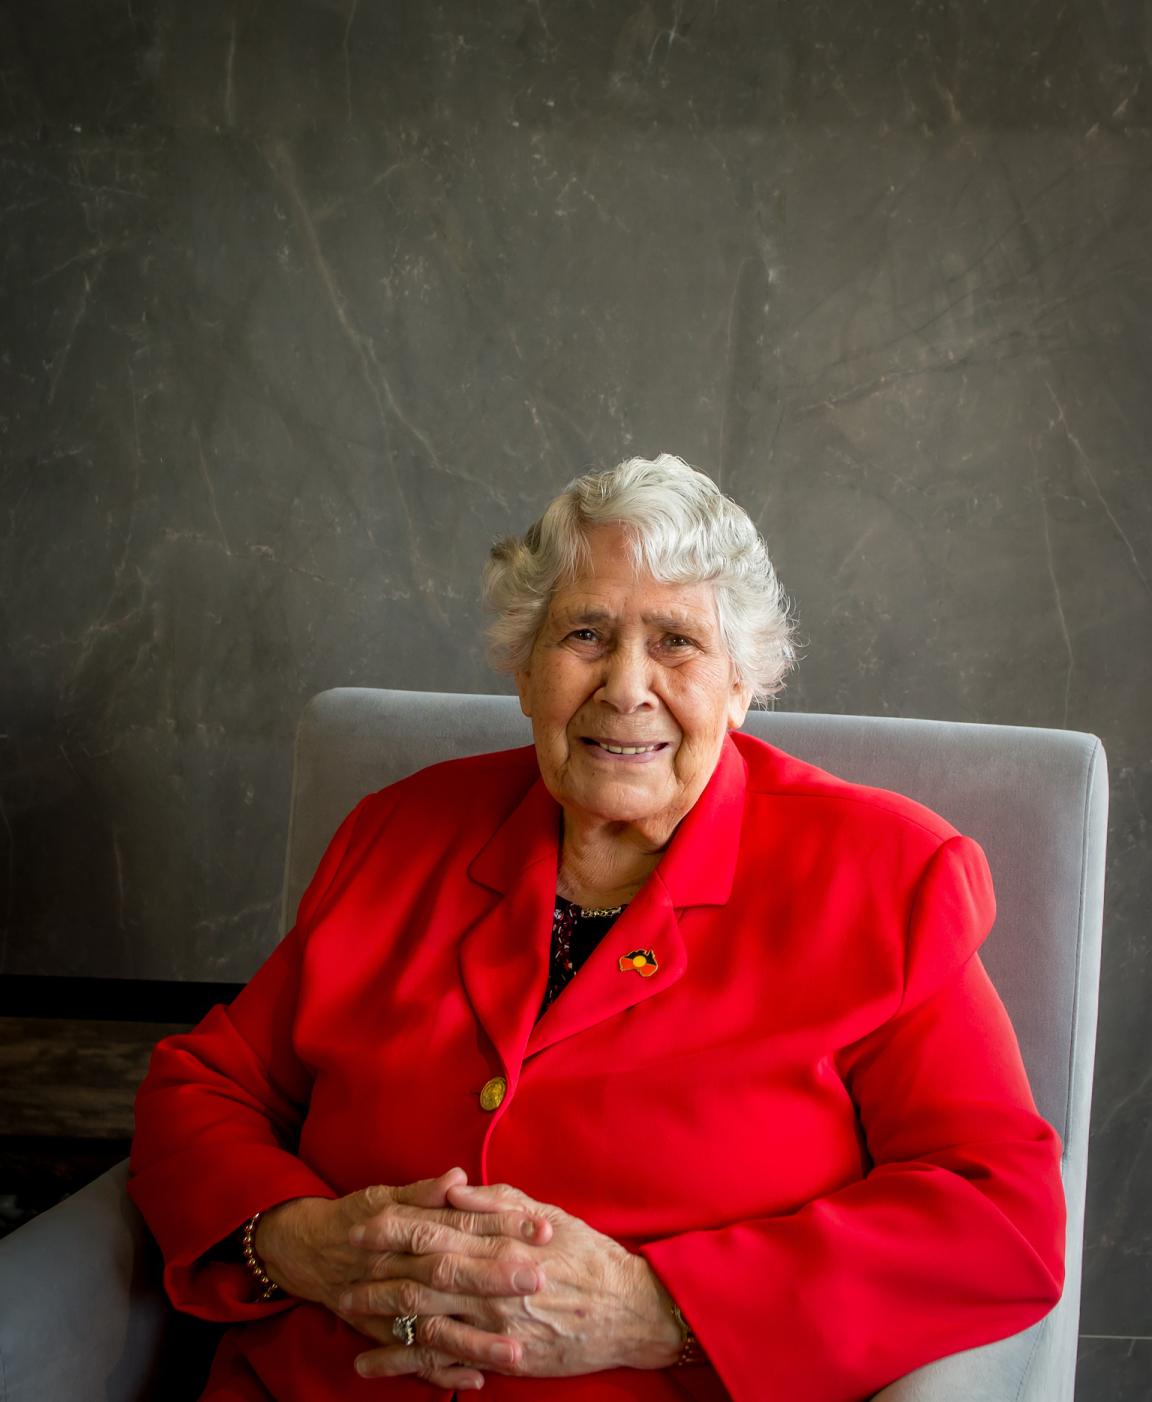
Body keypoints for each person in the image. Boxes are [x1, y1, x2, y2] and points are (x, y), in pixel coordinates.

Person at [129, 454, 1065, 1401]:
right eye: (585, 634)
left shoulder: (885, 881)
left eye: (676, 643)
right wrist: (292, 1242)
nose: (626, 687)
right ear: (526, 668)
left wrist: (659, 1308)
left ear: (743, 685)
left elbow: (999, 1219)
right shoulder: (397, 833)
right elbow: (203, 1090)